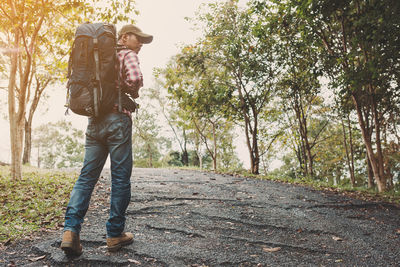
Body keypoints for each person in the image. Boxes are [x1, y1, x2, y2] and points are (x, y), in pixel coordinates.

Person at [60, 24, 153, 256]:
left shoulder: (97, 57)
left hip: (95, 121)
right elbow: (135, 77)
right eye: (137, 38)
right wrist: (134, 90)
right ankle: (114, 234)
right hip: (117, 121)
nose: (140, 43)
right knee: (120, 179)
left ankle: (70, 231)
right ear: (124, 37)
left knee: (86, 178)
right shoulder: (126, 54)